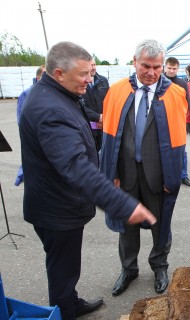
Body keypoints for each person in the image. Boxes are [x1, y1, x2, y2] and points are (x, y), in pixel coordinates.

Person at [18, 41, 156, 320]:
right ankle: (65, 311)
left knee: (65, 266)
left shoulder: (55, 94)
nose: (89, 80)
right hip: (57, 209)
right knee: (62, 269)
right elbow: (75, 166)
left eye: (90, 73)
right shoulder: (51, 109)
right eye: (83, 75)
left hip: (58, 203)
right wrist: (123, 204)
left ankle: (69, 300)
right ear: (58, 73)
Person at [101, 39, 187, 296]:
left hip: (158, 174)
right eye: (146, 66)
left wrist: (173, 174)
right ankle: (128, 269)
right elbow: (109, 137)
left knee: (161, 225)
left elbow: (179, 140)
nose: (151, 73)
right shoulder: (116, 91)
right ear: (134, 62)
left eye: (157, 67)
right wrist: (113, 174)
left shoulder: (175, 93)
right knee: (127, 225)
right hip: (125, 174)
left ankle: (160, 266)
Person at [164, 56, 190, 187]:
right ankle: (164, 177)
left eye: (174, 68)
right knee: (163, 150)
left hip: (178, 121)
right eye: (169, 68)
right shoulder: (158, 81)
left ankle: (183, 176)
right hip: (162, 121)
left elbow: (187, 102)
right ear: (165, 67)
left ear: (178, 69)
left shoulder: (182, 84)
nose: (171, 71)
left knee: (182, 149)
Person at [15, 65, 45, 186]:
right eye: (46, 76)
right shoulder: (27, 94)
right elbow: (22, 121)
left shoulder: (52, 94)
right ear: (38, 78)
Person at [82, 58, 109, 151]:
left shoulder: (103, 81)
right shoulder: (80, 83)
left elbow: (109, 101)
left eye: (94, 65)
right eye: (91, 65)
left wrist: (105, 117)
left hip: (104, 127)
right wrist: (98, 117)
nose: (93, 68)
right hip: (88, 129)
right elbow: (79, 106)